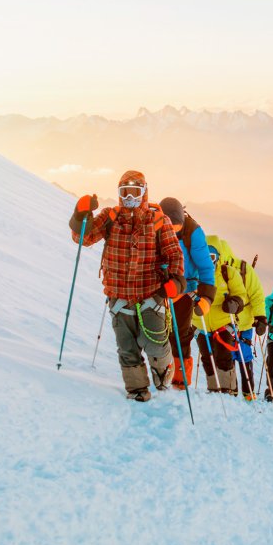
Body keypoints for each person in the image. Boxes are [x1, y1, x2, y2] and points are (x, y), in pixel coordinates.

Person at [69, 172, 185, 401]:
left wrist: (177, 281)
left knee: (155, 344)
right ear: (119, 193)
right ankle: (137, 390)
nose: (130, 197)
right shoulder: (110, 217)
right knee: (127, 349)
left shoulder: (159, 220)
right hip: (119, 296)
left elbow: (174, 254)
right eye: (125, 192)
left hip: (151, 294)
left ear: (144, 192)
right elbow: (84, 237)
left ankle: (163, 368)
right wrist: (81, 215)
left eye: (135, 192)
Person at [158, 198, 216, 390]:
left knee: (180, 334)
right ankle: (161, 373)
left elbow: (205, 266)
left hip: (185, 289)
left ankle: (180, 379)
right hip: (160, 287)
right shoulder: (153, 226)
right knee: (158, 332)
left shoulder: (193, 232)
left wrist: (207, 297)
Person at [193, 235, 248, 394]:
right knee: (207, 358)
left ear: (218, 256)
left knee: (223, 357)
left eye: (212, 257)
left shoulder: (227, 273)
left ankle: (227, 388)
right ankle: (213, 388)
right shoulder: (195, 273)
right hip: (200, 323)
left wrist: (235, 303)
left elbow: (241, 294)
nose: (209, 261)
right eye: (205, 257)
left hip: (223, 323)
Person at [227, 249, 266, 400]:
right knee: (236, 356)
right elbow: (257, 297)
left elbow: (256, 296)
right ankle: (240, 390)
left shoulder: (241, 273)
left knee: (241, 355)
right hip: (235, 323)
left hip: (240, 324)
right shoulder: (241, 272)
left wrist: (260, 317)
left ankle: (240, 390)